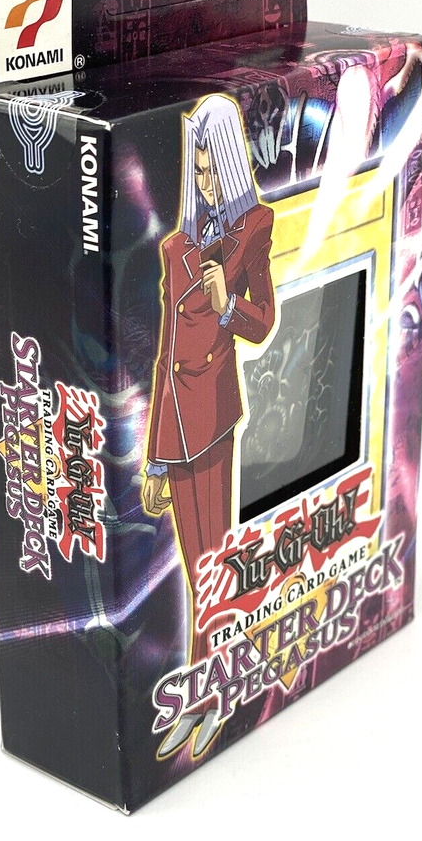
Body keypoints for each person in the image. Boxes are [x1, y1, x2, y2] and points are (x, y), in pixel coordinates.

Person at [142, 94, 276, 758]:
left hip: (215, 420)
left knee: (213, 568)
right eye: (195, 172)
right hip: (177, 427)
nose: (204, 183)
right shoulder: (176, 248)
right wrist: (155, 457)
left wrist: (228, 306)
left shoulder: (253, 228)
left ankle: (208, 696)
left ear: (229, 162)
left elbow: (264, 320)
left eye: (211, 169)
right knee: (200, 573)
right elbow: (166, 354)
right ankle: (207, 690)